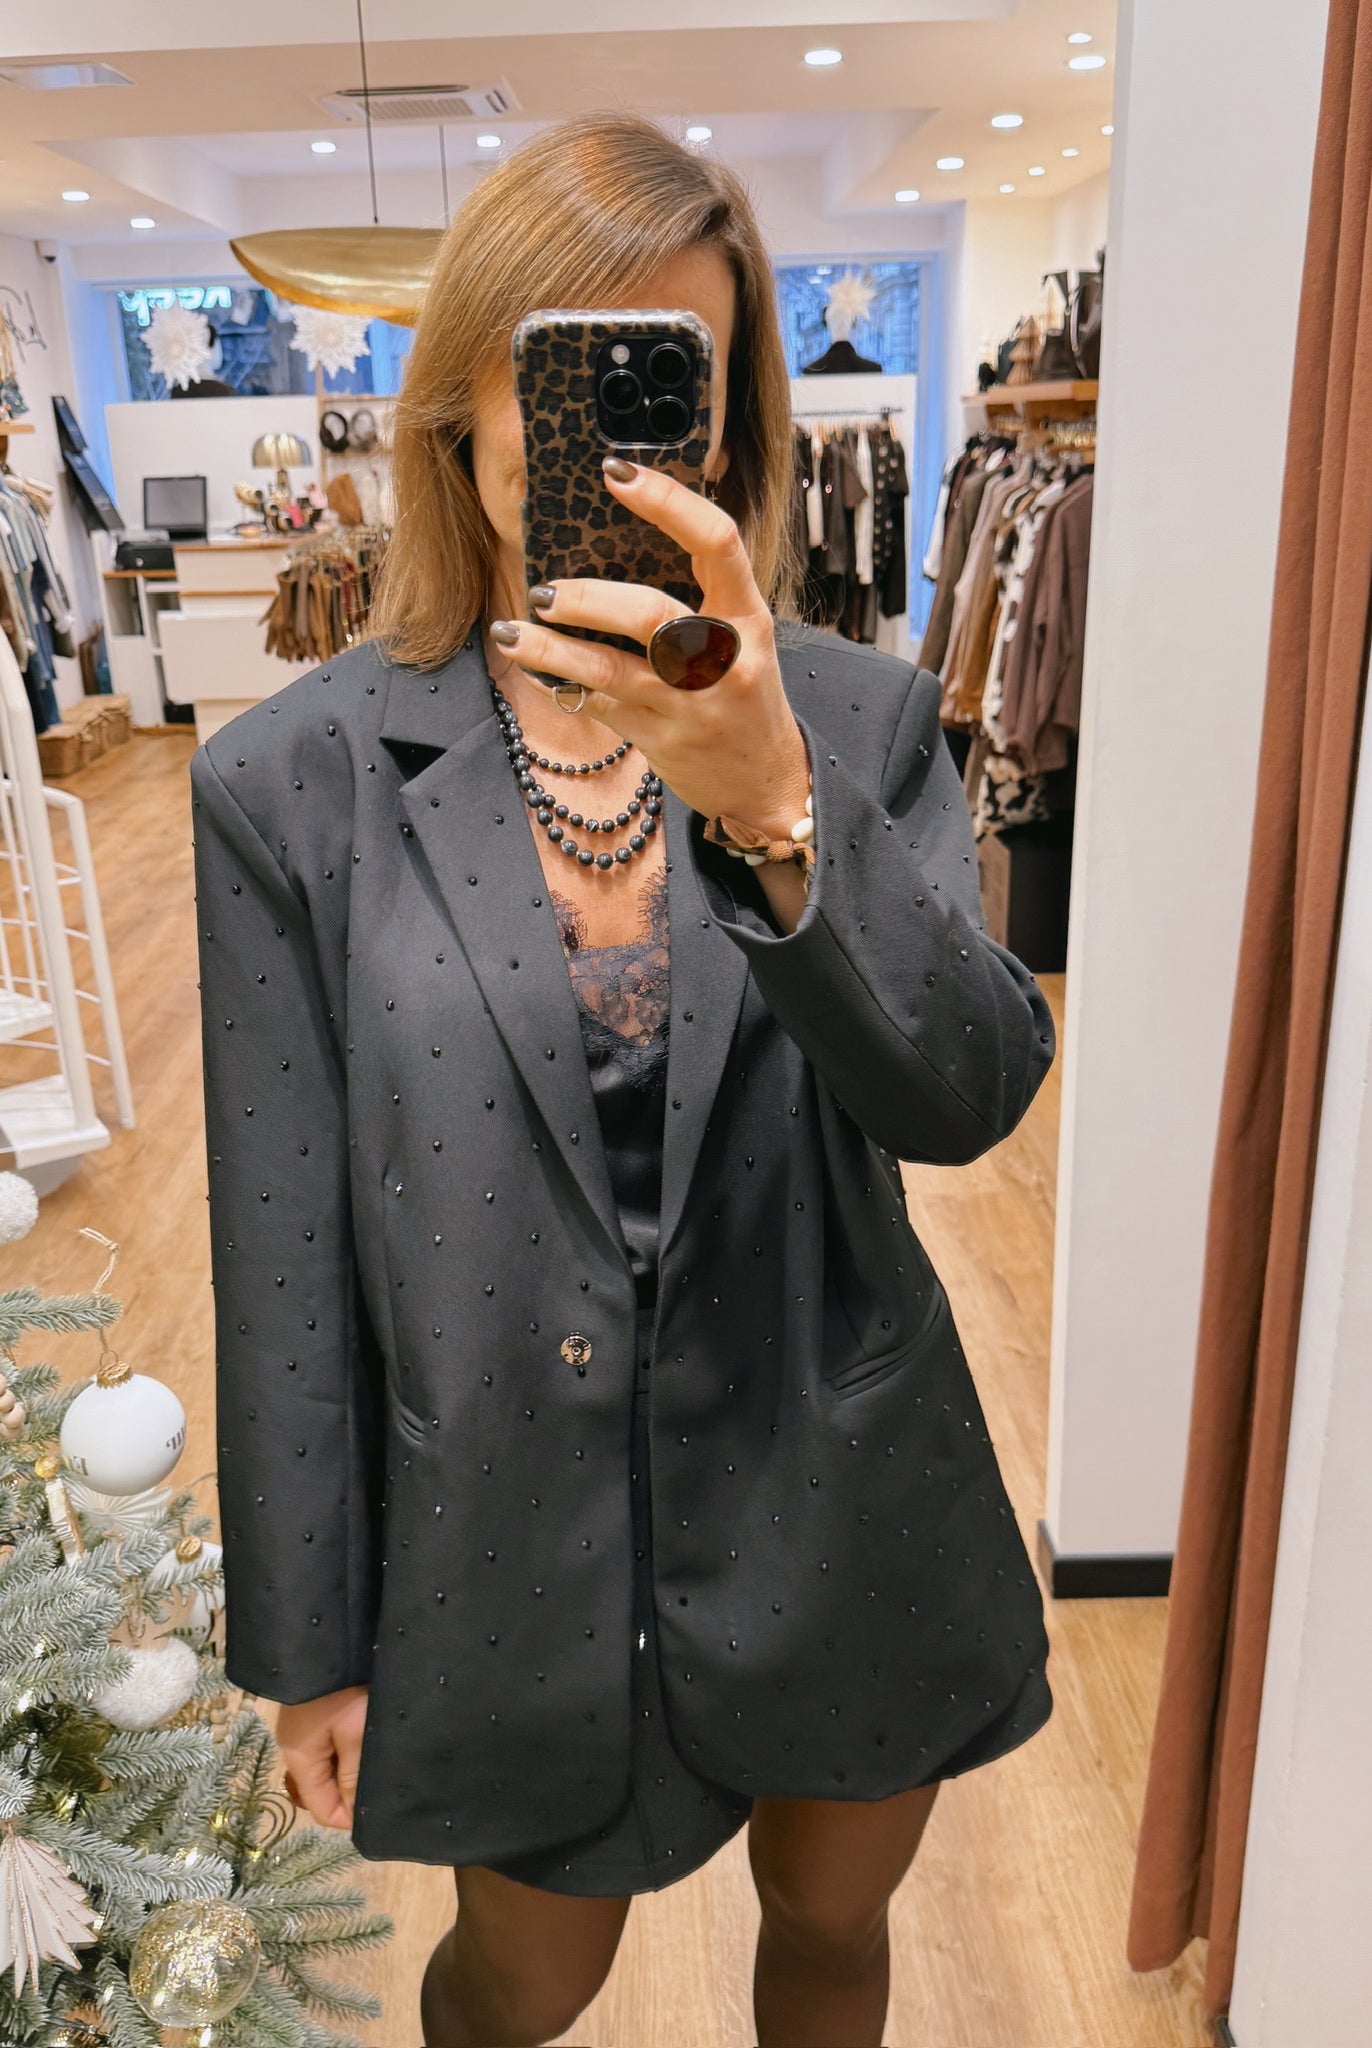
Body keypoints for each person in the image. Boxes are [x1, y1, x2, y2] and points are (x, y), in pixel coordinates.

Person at [191, 112, 1056, 2048]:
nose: (607, 434)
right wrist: (306, 1638)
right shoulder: (292, 783)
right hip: (500, 1523)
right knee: (520, 1982)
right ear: (464, 395)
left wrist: (771, 803)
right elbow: (278, 1249)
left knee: (831, 1933)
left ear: (731, 424)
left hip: (837, 1484)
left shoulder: (853, 720)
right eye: (562, 363)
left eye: (666, 377)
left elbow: (966, 1094)